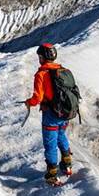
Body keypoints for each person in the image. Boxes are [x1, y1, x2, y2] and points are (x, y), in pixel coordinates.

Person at [25, 43, 73, 187]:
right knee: (61, 136)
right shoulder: (63, 70)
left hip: (51, 114)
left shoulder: (41, 74)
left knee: (50, 144)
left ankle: (52, 174)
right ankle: (67, 164)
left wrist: (29, 102)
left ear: (42, 57)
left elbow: (37, 98)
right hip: (65, 113)